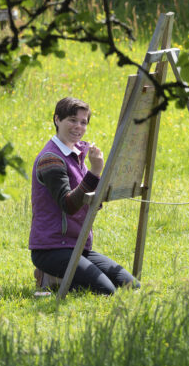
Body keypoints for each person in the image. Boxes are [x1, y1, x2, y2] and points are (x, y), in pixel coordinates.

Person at [29, 97, 139, 295]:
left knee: (132, 285)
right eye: (72, 120)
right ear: (57, 120)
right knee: (107, 291)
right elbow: (68, 205)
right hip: (51, 248)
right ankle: (50, 278)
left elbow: (86, 199)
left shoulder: (78, 154)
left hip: (77, 246)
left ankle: (59, 276)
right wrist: (95, 172)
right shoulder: (51, 159)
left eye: (83, 122)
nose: (78, 127)